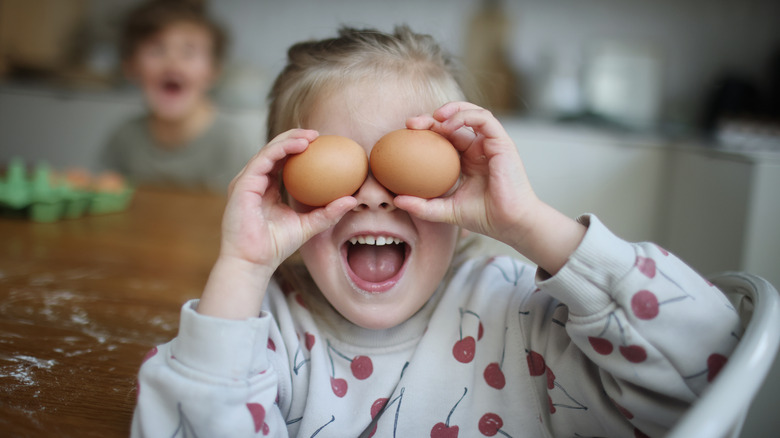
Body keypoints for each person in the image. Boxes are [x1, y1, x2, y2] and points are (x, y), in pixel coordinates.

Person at [132, 26, 742, 437]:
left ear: (458, 181)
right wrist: (240, 268)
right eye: (340, 165)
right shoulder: (269, 333)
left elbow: (712, 364)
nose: (372, 191)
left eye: (405, 162)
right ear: (286, 189)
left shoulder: (517, 315)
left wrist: (528, 223)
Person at [101, 0, 252, 193]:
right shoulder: (124, 139)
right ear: (131, 67)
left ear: (213, 71)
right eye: (157, 50)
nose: (172, 62)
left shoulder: (230, 143)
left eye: (188, 52)